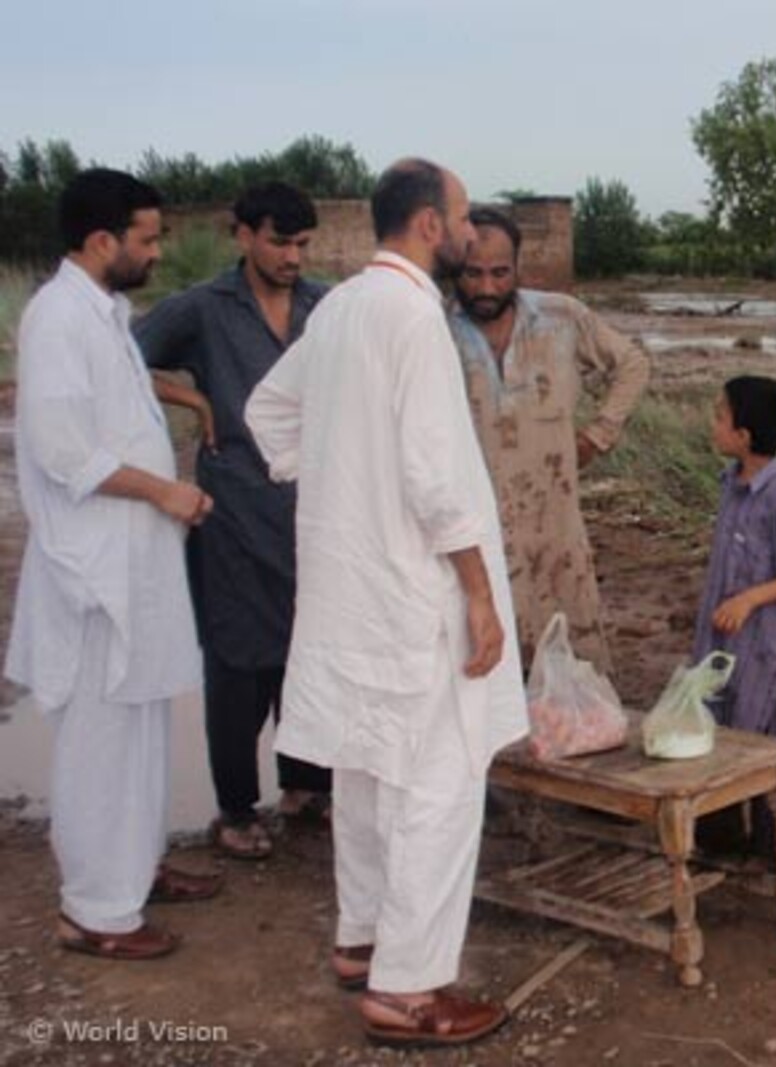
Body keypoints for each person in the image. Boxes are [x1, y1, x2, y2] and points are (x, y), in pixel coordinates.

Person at [245, 158, 525, 1049]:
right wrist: (480, 597)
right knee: (439, 786)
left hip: (348, 589)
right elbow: (437, 480)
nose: (474, 232)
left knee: (365, 772)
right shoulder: (410, 317)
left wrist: (336, 480)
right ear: (432, 226)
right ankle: (408, 989)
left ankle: (362, 939)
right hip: (413, 594)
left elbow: (266, 415)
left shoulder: (339, 311)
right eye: (463, 216)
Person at [6, 169, 222, 962]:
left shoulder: (103, 312)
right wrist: (165, 490)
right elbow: (67, 453)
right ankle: (94, 909)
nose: (157, 251)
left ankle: (134, 867)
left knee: (141, 723)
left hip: (135, 562)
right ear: (102, 242)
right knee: (102, 734)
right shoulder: (58, 319)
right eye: (147, 238)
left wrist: (189, 408)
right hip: (93, 569)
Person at [135, 181, 332, 860]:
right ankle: (235, 807)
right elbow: (124, 356)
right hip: (234, 510)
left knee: (306, 652)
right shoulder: (204, 308)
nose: (292, 256)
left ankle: (307, 784)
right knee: (238, 659)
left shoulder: (324, 306)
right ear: (243, 235)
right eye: (279, 241)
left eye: (303, 244)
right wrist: (190, 397)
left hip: (312, 511)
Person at [449, 206, 649, 674]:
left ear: (518, 267)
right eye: (473, 273)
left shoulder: (561, 316)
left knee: (572, 669)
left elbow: (633, 364)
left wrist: (599, 435)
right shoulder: (435, 329)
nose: (486, 288)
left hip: (556, 526)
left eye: (500, 273)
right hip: (475, 534)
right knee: (483, 665)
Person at [692, 375, 776, 738]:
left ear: (743, 436)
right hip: (723, 635)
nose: (713, 425)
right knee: (716, 722)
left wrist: (748, 600)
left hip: (767, 646)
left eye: (720, 417)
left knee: (760, 731)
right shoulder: (730, 486)